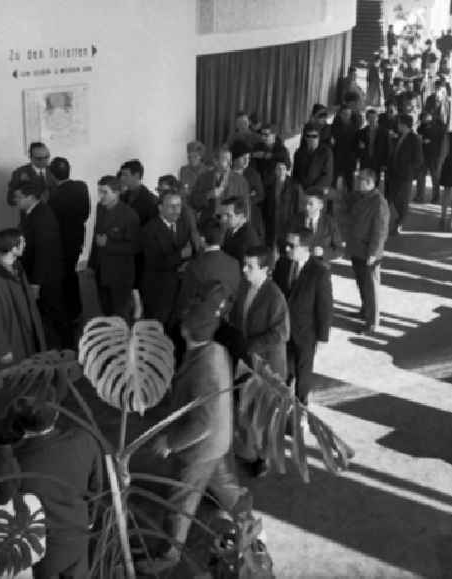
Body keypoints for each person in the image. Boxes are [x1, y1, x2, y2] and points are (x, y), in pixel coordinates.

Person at [142, 283, 253, 572]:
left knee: (180, 500)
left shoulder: (203, 367)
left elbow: (201, 422)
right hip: (219, 440)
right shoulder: (214, 350)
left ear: (187, 330)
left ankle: (168, 555)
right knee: (225, 487)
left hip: (200, 448)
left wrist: (170, 442)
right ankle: (248, 523)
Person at [12, 388, 102, 579]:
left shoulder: (13, 462)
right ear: (58, 412)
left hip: (41, 547)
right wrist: (90, 519)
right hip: (78, 533)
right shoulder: (84, 440)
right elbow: (95, 488)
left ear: (17, 420)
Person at [273, 229, 332, 405]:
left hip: (306, 333)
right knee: (283, 370)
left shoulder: (319, 272)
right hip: (284, 329)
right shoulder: (282, 264)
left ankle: (301, 410)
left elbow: (325, 306)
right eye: (286, 245)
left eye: (292, 246)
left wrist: (322, 337)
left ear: (306, 248)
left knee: (303, 374)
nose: (287, 249)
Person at [0, 228, 45, 370]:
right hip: (13, 345)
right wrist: (2, 350)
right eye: (22, 242)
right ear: (13, 247)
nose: (25, 245)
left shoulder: (17, 268)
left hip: (27, 339)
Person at [14, 183, 67, 349]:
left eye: (18, 197)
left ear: (30, 198)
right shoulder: (30, 212)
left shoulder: (42, 217)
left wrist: (36, 283)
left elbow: (43, 254)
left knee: (53, 312)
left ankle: (64, 346)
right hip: (41, 273)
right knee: (48, 312)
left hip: (46, 276)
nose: (15, 200)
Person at [140, 189, 200, 336]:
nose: (176, 210)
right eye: (171, 206)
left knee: (176, 328)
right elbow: (154, 262)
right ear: (160, 208)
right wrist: (180, 255)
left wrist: (188, 261)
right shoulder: (149, 230)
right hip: (158, 290)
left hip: (180, 289)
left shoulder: (184, 224)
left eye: (178, 206)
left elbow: (192, 251)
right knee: (156, 330)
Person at [230, 246, 289, 382]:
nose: (244, 269)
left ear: (265, 269)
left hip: (267, 367)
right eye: (244, 264)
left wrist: (247, 346)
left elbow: (280, 334)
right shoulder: (244, 285)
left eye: (250, 266)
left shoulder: (275, 296)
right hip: (248, 361)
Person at [87, 176, 141, 322]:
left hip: (120, 274)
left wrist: (108, 244)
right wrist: (92, 264)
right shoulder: (100, 207)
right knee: (106, 310)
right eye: (99, 192)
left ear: (116, 193)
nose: (101, 196)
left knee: (120, 314)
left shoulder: (130, 215)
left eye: (105, 192)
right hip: (101, 270)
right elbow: (96, 236)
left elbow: (135, 246)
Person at [47, 157, 90, 322]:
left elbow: (51, 223)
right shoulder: (81, 187)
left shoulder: (53, 197)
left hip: (60, 242)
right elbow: (85, 214)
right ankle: (76, 310)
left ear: (51, 174)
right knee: (71, 274)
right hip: (77, 238)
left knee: (64, 277)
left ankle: (68, 311)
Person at [347, 169, 389, 333]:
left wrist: (373, 253)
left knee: (371, 289)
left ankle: (372, 322)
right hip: (357, 250)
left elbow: (380, 231)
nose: (358, 182)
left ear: (371, 183)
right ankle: (365, 311)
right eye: (358, 179)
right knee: (362, 285)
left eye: (362, 180)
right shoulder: (360, 197)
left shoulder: (379, 202)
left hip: (368, 253)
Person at [177, 217, 241, 320]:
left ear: (202, 239)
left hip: (201, 323)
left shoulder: (194, 266)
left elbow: (185, 301)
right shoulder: (235, 263)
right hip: (226, 319)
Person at [191, 146, 250, 226]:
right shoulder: (204, 178)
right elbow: (193, 201)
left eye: (230, 160)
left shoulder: (240, 181)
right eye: (226, 160)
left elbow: (246, 207)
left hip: (231, 224)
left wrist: (245, 225)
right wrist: (208, 195)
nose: (230, 163)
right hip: (209, 224)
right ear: (215, 161)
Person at [386, 113, 423, 234]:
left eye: (399, 123)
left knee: (403, 200)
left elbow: (418, 159)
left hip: (405, 174)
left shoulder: (414, 138)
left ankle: (400, 222)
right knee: (392, 197)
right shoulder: (399, 137)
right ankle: (395, 219)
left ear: (404, 125)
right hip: (394, 172)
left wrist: (409, 170)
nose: (397, 125)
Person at [290, 188, 344, 262]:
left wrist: (323, 252)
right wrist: (289, 244)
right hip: (297, 265)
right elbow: (282, 243)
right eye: (305, 203)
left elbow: (339, 250)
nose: (306, 207)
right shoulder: (296, 219)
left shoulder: (330, 222)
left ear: (320, 205)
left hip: (319, 267)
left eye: (311, 204)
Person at [266, 161, 301, 251]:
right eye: (278, 169)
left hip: (287, 223)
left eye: (284, 169)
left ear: (287, 170)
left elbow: (297, 208)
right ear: (275, 171)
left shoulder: (294, 186)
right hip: (273, 223)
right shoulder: (270, 185)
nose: (281, 171)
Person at [6, 142, 54, 206]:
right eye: (39, 159)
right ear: (31, 157)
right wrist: (31, 199)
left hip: (53, 213)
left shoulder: (53, 170)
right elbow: (10, 200)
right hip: (32, 214)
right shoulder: (20, 173)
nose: (44, 161)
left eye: (46, 157)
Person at [219, 196, 261, 266]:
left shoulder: (248, 237)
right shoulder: (230, 230)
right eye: (223, 214)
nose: (223, 219)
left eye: (228, 215)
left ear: (241, 216)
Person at [417, 110, 446, 205]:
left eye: (425, 117)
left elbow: (441, 140)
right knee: (427, 177)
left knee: (432, 177)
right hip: (428, 154)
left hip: (433, 155)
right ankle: (424, 196)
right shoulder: (422, 126)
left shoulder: (437, 127)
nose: (424, 120)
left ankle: (429, 197)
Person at [293, 123, 334, 192]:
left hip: (319, 191)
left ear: (319, 137)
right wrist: (298, 188)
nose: (311, 139)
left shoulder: (326, 152)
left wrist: (313, 190)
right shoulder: (299, 153)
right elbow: (295, 174)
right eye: (308, 136)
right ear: (305, 137)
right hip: (301, 192)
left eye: (314, 136)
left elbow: (327, 176)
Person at [119, 159, 159, 227]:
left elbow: (152, 229)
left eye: (125, 175)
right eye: (122, 175)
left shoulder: (151, 200)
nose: (121, 178)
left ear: (136, 176)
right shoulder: (121, 197)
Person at [330, 104, 359, 193]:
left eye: (348, 114)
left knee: (349, 183)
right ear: (340, 115)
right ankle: (330, 204)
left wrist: (356, 157)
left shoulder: (355, 127)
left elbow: (357, 143)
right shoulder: (335, 126)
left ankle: (349, 203)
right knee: (333, 182)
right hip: (337, 157)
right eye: (344, 114)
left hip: (350, 158)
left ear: (350, 115)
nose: (346, 116)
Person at [356, 108, 388, 184]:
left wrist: (385, 163)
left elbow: (388, 148)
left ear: (377, 118)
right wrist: (360, 148)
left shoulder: (384, 132)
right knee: (364, 183)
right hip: (365, 162)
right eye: (370, 117)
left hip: (378, 162)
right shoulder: (361, 132)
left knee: (375, 183)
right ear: (367, 119)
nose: (372, 119)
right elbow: (356, 148)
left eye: (374, 117)